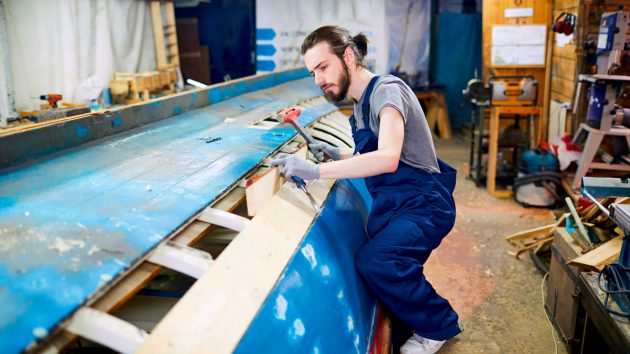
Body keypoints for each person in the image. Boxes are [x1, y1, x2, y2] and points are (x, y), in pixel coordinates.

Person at [270, 25, 461, 354]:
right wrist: (337, 153)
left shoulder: (387, 90)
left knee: (378, 260)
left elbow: (388, 157)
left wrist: (316, 170)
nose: (318, 79)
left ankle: (438, 324)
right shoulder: (359, 107)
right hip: (395, 203)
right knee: (385, 260)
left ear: (347, 56)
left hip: (423, 204)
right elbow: (370, 155)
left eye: (323, 67)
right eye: (313, 72)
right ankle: (411, 319)